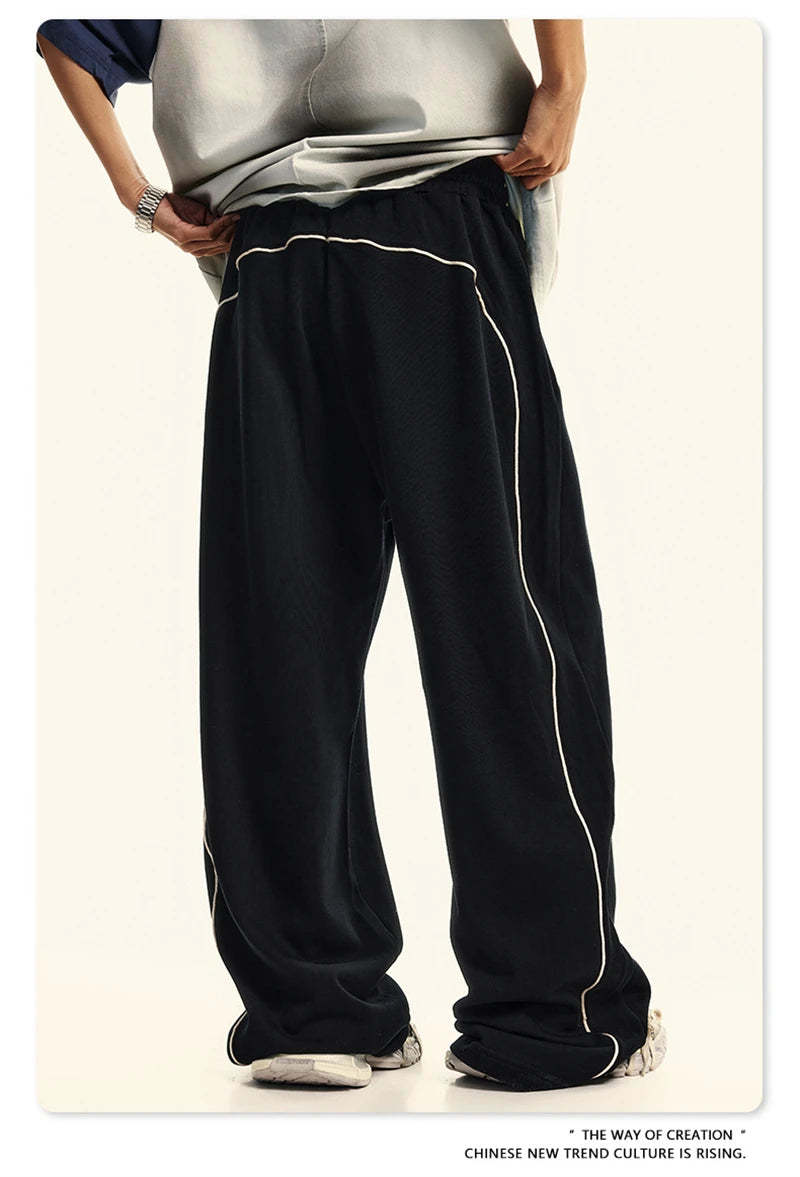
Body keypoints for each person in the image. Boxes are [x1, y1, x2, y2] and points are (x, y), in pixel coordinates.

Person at [36, 18, 666, 1093]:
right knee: (504, 621)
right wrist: (565, 81)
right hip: (439, 221)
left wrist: (141, 198)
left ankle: (310, 1010)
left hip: (268, 254)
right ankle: (552, 1012)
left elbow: (74, 41)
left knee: (277, 638)